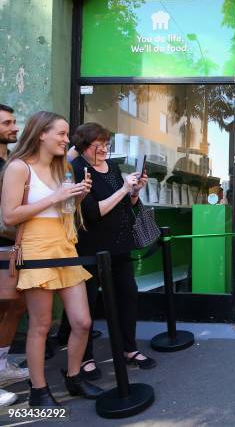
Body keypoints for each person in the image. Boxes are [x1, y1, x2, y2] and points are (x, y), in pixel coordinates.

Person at [1, 111, 103, 406]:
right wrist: (56, 197)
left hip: (65, 246)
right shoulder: (19, 167)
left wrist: (78, 197)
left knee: (82, 321)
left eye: (66, 133)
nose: (66, 139)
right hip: (37, 250)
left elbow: (63, 210)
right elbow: (8, 217)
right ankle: (39, 390)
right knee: (41, 325)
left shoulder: (63, 168)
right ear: (41, 134)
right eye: (60, 133)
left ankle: (73, 377)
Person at [68, 122, 156, 378]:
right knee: (88, 303)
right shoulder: (77, 170)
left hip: (120, 246)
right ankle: (85, 359)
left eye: (107, 144)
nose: (105, 149)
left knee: (128, 294)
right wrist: (123, 189)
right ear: (84, 147)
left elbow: (125, 205)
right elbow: (92, 213)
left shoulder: (113, 168)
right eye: (99, 145)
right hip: (91, 248)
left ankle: (129, 349)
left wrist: (135, 192)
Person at [0, 103, 29, 408]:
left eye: (15, 121)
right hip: (4, 239)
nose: (15, 127)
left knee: (16, 304)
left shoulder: (12, 161)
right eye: (8, 123)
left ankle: (2, 365)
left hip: (13, 242)